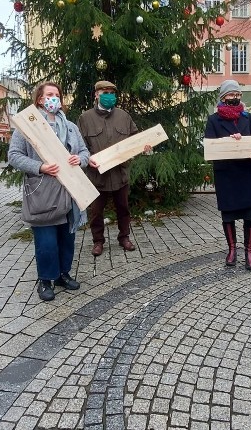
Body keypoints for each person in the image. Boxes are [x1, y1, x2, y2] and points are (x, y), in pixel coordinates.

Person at [8, 81, 89, 301]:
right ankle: (45, 280)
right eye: (49, 94)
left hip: (70, 191)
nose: (54, 98)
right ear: (40, 99)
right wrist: (40, 167)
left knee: (67, 239)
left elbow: (84, 153)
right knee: (46, 242)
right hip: (44, 192)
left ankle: (63, 274)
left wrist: (78, 159)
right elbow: (14, 156)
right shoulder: (27, 126)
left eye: (57, 95)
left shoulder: (70, 127)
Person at [79, 80, 150, 256]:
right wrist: (88, 160)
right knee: (96, 212)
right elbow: (79, 146)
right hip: (97, 175)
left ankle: (124, 237)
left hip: (120, 173)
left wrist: (144, 146)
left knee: (123, 208)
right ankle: (98, 241)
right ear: (96, 94)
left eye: (112, 92)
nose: (109, 95)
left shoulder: (124, 116)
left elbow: (135, 138)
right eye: (105, 92)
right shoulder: (85, 118)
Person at [204, 80, 251, 271]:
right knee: (228, 217)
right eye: (231, 95)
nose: (235, 98)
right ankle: (232, 250)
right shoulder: (213, 120)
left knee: (250, 217)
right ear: (223, 98)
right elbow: (209, 147)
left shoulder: (249, 118)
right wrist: (228, 143)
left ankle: (249, 252)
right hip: (227, 175)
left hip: (248, 173)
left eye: (237, 94)